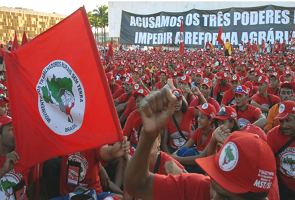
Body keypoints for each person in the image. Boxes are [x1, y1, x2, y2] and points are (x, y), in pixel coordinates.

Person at [125, 88, 278, 200]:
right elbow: (137, 185)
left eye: (226, 198)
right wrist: (148, 136)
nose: (214, 198)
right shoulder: (199, 186)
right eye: (214, 182)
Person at [267, 100, 295, 199]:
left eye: (288, 120)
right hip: (283, 187)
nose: (284, 126)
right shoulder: (273, 135)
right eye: (281, 121)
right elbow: (268, 164)